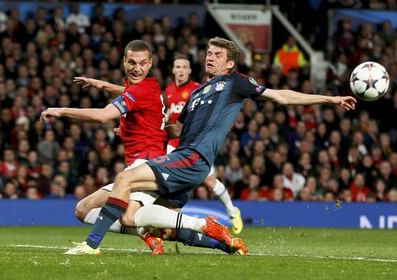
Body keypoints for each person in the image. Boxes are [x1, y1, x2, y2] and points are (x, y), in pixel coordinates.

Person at [49, 37, 355, 255]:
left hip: (191, 160)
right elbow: (167, 116)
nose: (210, 57)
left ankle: (91, 246)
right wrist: (151, 125)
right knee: (148, 224)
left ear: (230, 63)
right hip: (183, 157)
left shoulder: (235, 82)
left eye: (218, 54)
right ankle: (226, 244)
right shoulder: (196, 94)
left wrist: (330, 98)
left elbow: (281, 95)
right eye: (209, 52)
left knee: (124, 180)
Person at [42, 39, 245, 256]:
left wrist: (61, 110)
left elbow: (103, 116)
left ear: (150, 64)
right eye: (131, 63)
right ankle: (224, 244)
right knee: (83, 210)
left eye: (142, 63)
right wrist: (103, 86)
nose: (136, 68)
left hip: (148, 161)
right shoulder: (147, 88)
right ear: (124, 62)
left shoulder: (143, 89)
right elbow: (137, 99)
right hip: (145, 159)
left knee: (128, 216)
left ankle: (92, 245)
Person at [165, 54, 243, 234]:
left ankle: (232, 211)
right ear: (173, 70)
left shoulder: (198, 89)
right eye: (178, 67)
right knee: (169, 183)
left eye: (184, 67)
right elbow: (171, 122)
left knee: (209, 181)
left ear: (189, 71)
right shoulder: (168, 91)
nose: (181, 70)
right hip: (174, 144)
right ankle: (168, 221)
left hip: (195, 144)